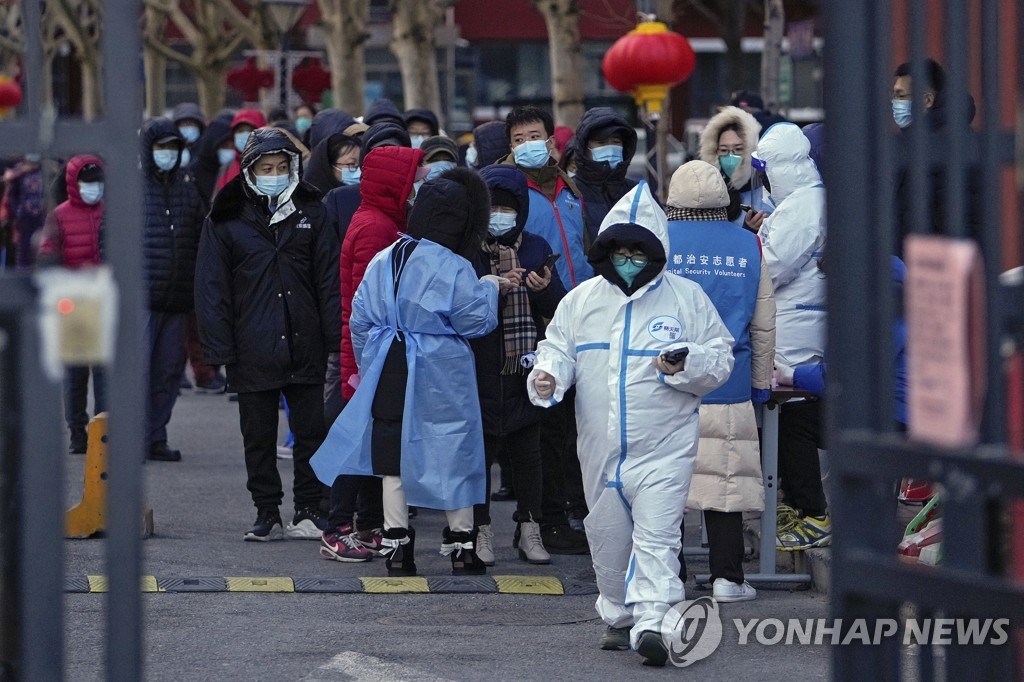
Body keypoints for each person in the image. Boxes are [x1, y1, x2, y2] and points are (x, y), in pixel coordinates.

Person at [528, 181, 734, 665]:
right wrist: (547, 376)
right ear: (604, 250)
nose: (628, 259)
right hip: (600, 450)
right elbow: (556, 349)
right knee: (608, 541)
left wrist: (685, 364)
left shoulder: (687, 298)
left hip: (664, 448)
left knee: (657, 538)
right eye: (618, 250)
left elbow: (720, 358)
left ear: (655, 252)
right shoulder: (581, 302)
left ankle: (655, 621)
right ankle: (619, 617)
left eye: (637, 251)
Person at [312, 167, 509, 577]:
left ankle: (397, 547)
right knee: (454, 450)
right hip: (441, 370)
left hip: (388, 365)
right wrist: (490, 286)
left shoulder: (385, 256)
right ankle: (461, 547)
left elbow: (360, 320)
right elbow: (475, 322)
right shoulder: (454, 265)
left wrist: (373, 363)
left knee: (392, 458)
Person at [195, 127, 339, 542]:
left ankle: (310, 507)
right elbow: (211, 288)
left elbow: (328, 280)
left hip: (304, 339)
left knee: (312, 432)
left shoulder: (313, 210)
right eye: (265, 168)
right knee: (257, 436)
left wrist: (333, 338)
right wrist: (219, 347)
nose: (274, 173)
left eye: (281, 166)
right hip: (250, 344)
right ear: (249, 171)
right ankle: (266, 510)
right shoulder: (224, 218)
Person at [664, 160, 776, 603]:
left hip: (666, 383)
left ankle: (670, 575)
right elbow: (764, 322)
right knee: (724, 483)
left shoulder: (658, 241)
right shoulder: (748, 244)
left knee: (665, 482)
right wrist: (761, 381)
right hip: (728, 382)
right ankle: (728, 578)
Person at [318, 145, 427, 563]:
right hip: (368, 355)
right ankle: (337, 528)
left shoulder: (382, 221)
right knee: (356, 444)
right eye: (412, 179)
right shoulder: (376, 228)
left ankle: (363, 525)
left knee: (367, 444)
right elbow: (372, 302)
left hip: (369, 354)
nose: (417, 187)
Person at [502, 104, 591, 554]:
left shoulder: (569, 188)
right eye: (518, 140)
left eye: (534, 136)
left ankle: (572, 508)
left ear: (552, 141)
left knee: (577, 423)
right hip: (537, 320)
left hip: (583, 315)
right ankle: (547, 518)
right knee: (548, 426)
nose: (528, 145)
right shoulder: (509, 194)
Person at [470, 164, 567, 566]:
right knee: (479, 455)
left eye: (508, 208)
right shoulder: (468, 248)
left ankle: (530, 527)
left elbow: (561, 310)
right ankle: (479, 530)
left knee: (529, 453)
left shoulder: (536, 247)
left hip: (525, 368)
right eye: (492, 207)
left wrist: (542, 293)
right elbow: (458, 307)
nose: (499, 215)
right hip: (477, 367)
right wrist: (491, 287)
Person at [752, 122, 829, 550]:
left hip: (796, 326)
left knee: (790, 415)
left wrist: (750, 253)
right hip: (793, 320)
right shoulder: (800, 202)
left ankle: (812, 511)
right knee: (780, 416)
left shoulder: (804, 205)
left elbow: (773, 264)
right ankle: (795, 505)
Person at [140, 118, 205, 462]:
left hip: (177, 297)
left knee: (167, 371)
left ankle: (154, 436)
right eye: (161, 147)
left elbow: (199, 235)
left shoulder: (187, 187)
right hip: (142, 298)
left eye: (173, 147)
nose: (167, 154)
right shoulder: (132, 187)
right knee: (138, 370)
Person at [36, 155, 107, 454]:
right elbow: (47, 254)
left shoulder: (112, 212)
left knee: (106, 374)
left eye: (97, 182)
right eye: (87, 182)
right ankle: (77, 431)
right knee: (76, 375)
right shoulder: (60, 215)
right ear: (74, 183)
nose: (93, 187)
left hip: (105, 301)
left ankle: (103, 430)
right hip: (74, 302)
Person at [890, 58, 980, 256]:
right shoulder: (914, 143)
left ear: (927, 100)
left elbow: (953, 219)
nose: (895, 104)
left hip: (934, 270)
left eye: (901, 96)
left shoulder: (945, 146)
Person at [570, 107, 638, 243]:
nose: (610, 147)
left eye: (616, 142)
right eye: (601, 143)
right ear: (584, 147)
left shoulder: (637, 192)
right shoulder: (569, 191)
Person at [698, 105, 765, 229]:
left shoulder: (765, 195)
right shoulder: (707, 196)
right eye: (724, 150)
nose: (730, 156)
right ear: (714, 153)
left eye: (738, 149)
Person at [216, 109, 267, 193]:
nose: (244, 135)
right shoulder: (226, 168)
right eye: (240, 131)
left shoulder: (273, 166)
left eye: (250, 130)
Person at [171, 102, 206, 170]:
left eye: (192, 124)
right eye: (184, 124)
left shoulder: (206, 150)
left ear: (200, 127)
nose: (188, 128)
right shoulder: (169, 149)